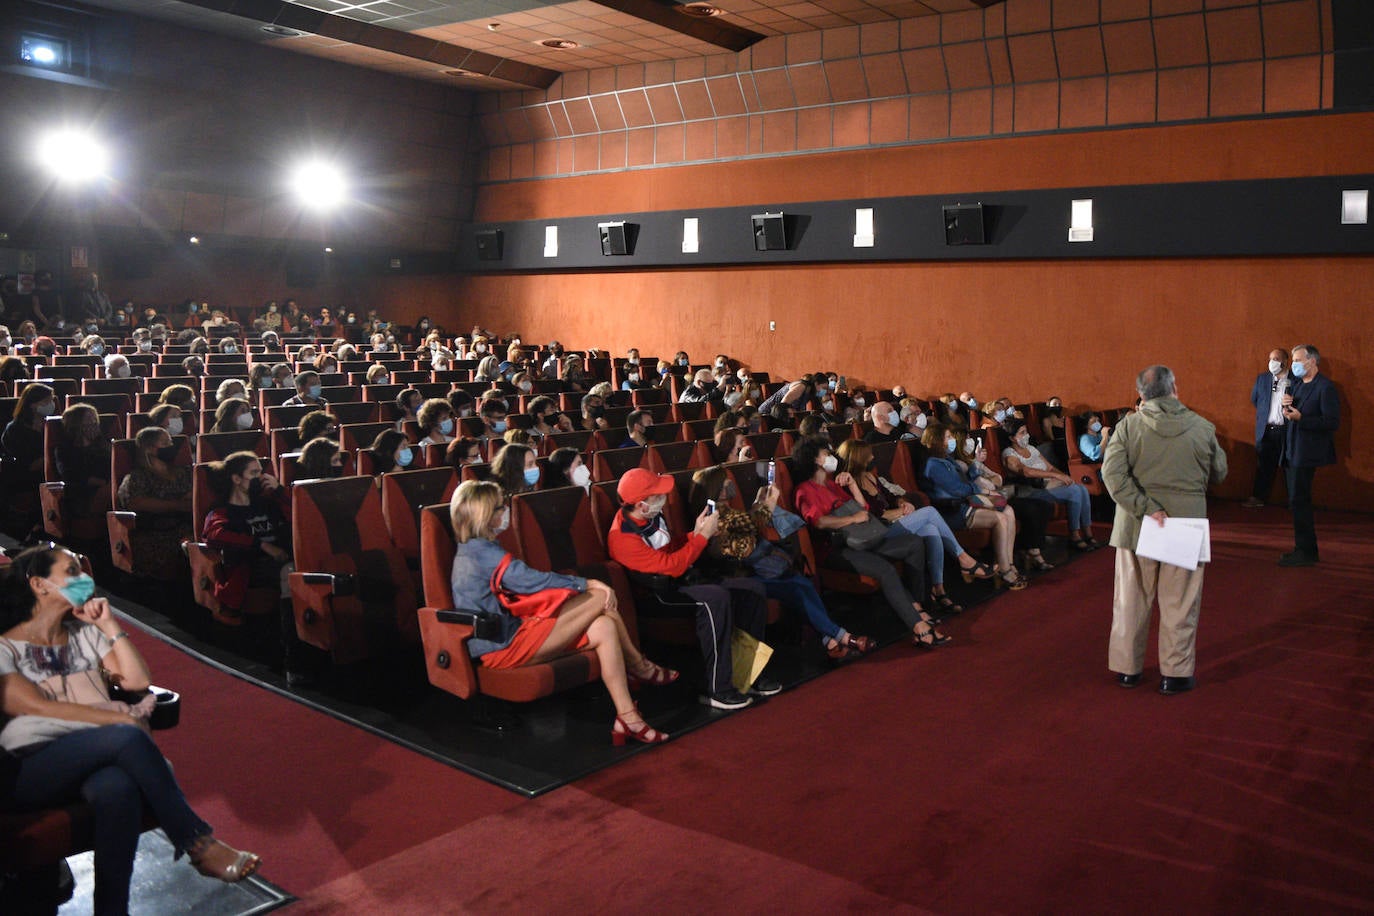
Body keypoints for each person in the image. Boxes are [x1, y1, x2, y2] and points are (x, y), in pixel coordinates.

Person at [0, 546, 260, 915]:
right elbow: (31, 709)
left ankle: (112, 910)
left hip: (87, 757)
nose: (84, 579)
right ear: (40, 585)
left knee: (116, 788)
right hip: (23, 769)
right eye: (71, 572)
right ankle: (198, 843)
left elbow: (138, 682)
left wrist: (108, 625)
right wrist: (111, 718)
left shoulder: (83, 633)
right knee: (126, 734)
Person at [449, 480, 674, 744]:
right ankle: (638, 666)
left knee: (604, 626)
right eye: (501, 507)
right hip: (503, 646)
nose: (506, 511)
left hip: (516, 632)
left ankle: (628, 717)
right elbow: (532, 581)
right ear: (485, 515)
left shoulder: (480, 548)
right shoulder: (481, 553)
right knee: (600, 595)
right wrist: (586, 583)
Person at [607, 468, 778, 710]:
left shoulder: (650, 516)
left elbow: (670, 548)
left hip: (678, 580)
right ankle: (719, 688)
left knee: (752, 589)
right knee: (714, 598)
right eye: (657, 495)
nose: (663, 499)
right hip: (657, 594)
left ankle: (749, 675)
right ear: (642, 505)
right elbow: (670, 567)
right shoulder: (622, 537)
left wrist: (694, 534)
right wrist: (702, 538)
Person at [1102, 365, 1226, 695]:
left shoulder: (1128, 427)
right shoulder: (1202, 427)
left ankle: (1128, 669)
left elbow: (1112, 476)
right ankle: (1176, 674)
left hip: (1136, 525)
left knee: (1131, 600)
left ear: (1141, 395)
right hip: (1185, 524)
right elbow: (1220, 472)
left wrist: (1146, 506)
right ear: (1175, 388)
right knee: (1180, 603)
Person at [688, 466, 874, 659]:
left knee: (802, 583)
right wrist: (769, 501)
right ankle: (844, 638)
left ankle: (831, 641)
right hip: (740, 574)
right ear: (716, 488)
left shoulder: (725, 509)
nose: (730, 485)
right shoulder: (715, 514)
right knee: (795, 589)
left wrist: (762, 502)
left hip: (752, 569)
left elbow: (748, 521)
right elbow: (754, 522)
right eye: (725, 483)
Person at [791, 437, 950, 647]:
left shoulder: (832, 484)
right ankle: (920, 629)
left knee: (913, 543)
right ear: (815, 460)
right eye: (826, 454)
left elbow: (864, 510)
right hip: (837, 549)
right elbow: (819, 522)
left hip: (863, 538)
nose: (831, 457)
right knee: (885, 569)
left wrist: (852, 486)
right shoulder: (804, 490)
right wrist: (851, 519)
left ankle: (917, 607)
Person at [835, 439, 993, 616]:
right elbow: (870, 516)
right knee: (930, 512)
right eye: (868, 454)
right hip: (878, 531)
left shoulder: (870, 476)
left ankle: (938, 590)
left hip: (893, 522)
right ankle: (964, 559)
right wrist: (899, 512)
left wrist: (902, 503)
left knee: (931, 530)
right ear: (858, 458)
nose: (872, 456)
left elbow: (891, 496)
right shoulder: (848, 484)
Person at [200, 451, 308, 680]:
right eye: (254, 472)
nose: (261, 477)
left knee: (298, 569)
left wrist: (280, 491)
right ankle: (295, 661)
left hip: (283, 561)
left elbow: (302, 515)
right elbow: (215, 534)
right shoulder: (222, 510)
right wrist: (261, 545)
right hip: (250, 568)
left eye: (261, 471)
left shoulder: (268, 504)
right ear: (236, 479)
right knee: (290, 573)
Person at [921, 423, 1024, 590]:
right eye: (948, 437)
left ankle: (1008, 563)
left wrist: (975, 465)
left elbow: (969, 477)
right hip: (953, 510)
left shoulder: (947, 459)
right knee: (999, 517)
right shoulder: (933, 465)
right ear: (937, 441)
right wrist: (983, 491)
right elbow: (957, 489)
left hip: (967, 502)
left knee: (1008, 510)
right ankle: (1005, 570)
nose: (952, 440)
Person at [1278, 344, 1339, 567]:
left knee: (1299, 500)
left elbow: (1331, 422)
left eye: (1297, 360)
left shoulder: (1325, 387)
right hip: (1292, 449)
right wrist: (1287, 410)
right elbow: (1293, 415)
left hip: (1307, 453)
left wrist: (1301, 419)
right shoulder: (1295, 385)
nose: (1294, 364)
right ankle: (1302, 548)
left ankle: (1306, 551)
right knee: (1295, 501)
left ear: (1312, 361)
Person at [1001, 420, 1098, 551]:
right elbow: (1026, 471)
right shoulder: (1009, 454)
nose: (1026, 435)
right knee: (1074, 491)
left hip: (1048, 484)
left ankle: (1088, 532)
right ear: (1012, 438)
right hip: (1030, 490)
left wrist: (1064, 477)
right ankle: (1074, 535)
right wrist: (1056, 476)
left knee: (1081, 488)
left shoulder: (1031, 449)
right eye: (1022, 433)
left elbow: (1050, 467)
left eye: (1026, 431)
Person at [117, 426, 194, 579]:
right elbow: (136, 503)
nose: (171, 447)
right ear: (149, 449)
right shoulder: (138, 476)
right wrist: (176, 504)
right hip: (155, 531)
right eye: (165, 443)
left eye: (170, 442)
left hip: (185, 525)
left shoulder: (183, 471)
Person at [1242, 348, 1293, 509]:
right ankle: (1259, 498)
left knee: (1290, 467)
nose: (1273, 362)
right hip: (1267, 430)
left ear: (1286, 361)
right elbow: (1255, 399)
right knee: (1264, 467)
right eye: (1270, 358)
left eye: (1277, 358)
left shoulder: (1296, 380)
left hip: (1287, 431)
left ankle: (1294, 501)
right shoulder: (1262, 379)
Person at [56, 404, 112, 524]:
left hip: (107, 488)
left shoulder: (103, 444)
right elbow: (71, 475)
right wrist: (104, 483)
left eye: (94, 419)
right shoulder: (64, 449)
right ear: (76, 424)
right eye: (88, 420)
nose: (93, 423)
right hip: (82, 494)